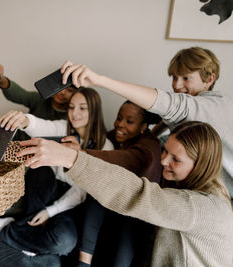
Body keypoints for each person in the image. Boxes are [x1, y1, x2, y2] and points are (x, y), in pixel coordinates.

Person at [17, 121, 233, 266]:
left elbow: (136, 193)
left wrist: (70, 158)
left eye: (176, 159)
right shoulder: (192, 186)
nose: (164, 160)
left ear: (201, 165)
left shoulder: (203, 207)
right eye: (166, 150)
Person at [60, 47, 233, 202]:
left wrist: (98, 80)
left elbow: (171, 104)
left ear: (210, 79)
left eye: (186, 78)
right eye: (174, 77)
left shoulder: (209, 107)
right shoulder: (192, 113)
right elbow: (166, 120)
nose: (177, 85)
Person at [0, 87, 114, 256]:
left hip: (70, 202)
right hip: (45, 186)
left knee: (64, 242)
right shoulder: (64, 128)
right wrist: (25, 120)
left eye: (82, 108)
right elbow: (43, 126)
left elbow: (81, 193)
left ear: (94, 110)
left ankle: (9, 229)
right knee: (39, 169)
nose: (74, 113)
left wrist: (49, 212)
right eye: (71, 107)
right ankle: (27, 233)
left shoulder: (106, 147)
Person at [77, 100, 162, 266]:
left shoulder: (149, 147)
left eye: (129, 121)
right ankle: (83, 262)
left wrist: (80, 154)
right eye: (119, 118)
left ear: (143, 126)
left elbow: (125, 159)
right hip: (112, 206)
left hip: (136, 214)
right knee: (96, 192)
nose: (120, 124)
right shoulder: (114, 137)